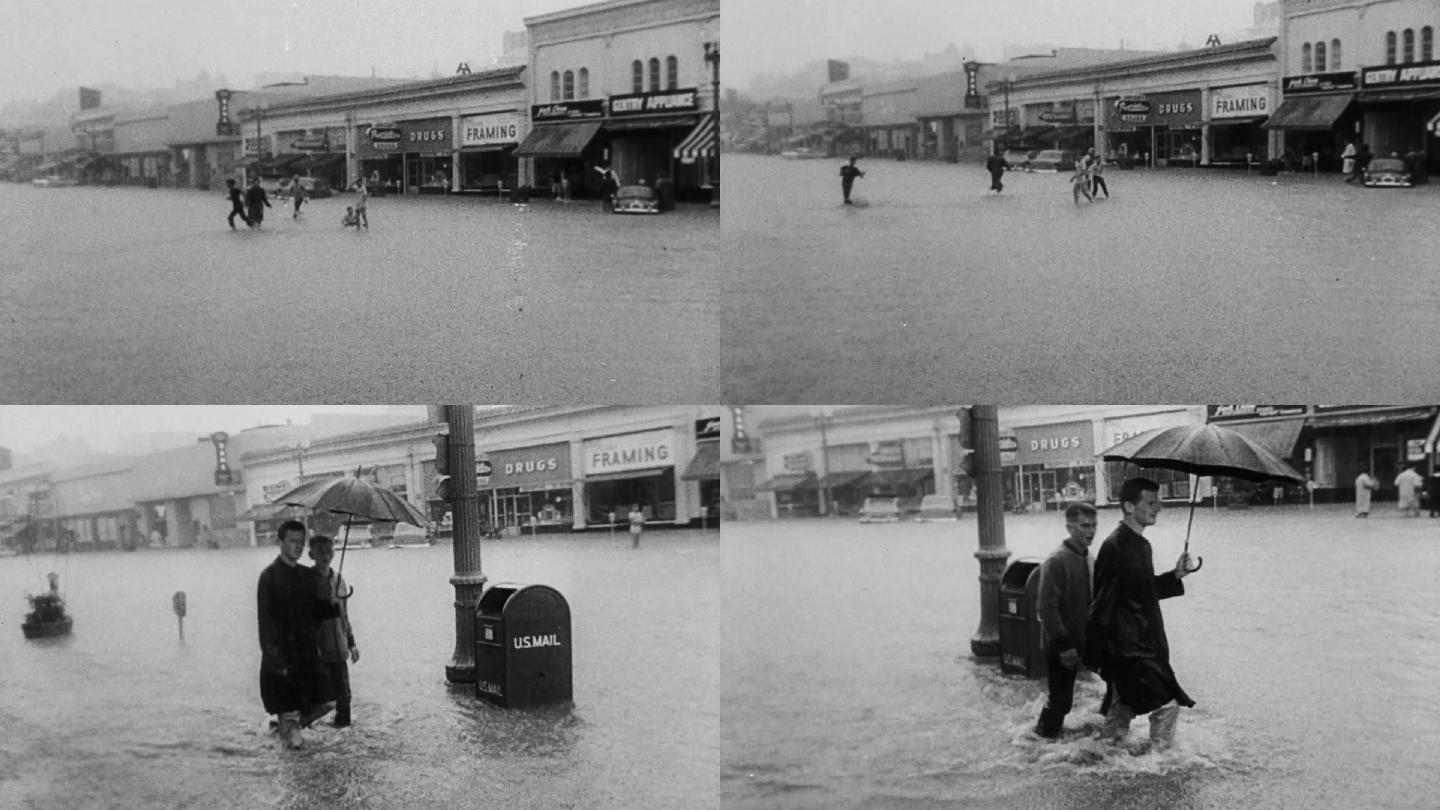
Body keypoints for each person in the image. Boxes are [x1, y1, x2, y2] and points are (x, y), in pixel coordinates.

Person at [1085, 478, 1198, 752]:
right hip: (1130, 649)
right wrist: (1100, 655)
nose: (1158, 507)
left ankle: (1099, 760)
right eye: (1150, 502)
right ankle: (1160, 764)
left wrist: (1176, 575)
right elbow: (1102, 603)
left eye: (1157, 501)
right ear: (1128, 506)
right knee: (1168, 704)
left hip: (1137, 646)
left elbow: (1142, 591)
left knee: (1121, 712)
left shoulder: (1138, 545)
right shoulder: (1117, 547)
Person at [257, 520, 338, 749]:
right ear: (280, 542)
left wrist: (331, 605)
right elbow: (265, 624)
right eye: (292, 541)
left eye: (301, 542)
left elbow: (314, 612)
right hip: (282, 661)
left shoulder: (307, 576)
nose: (298, 546)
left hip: (307, 658)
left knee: (328, 701)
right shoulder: (268, 577)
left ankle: (286, 731)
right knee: (294, 742)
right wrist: (276, 662)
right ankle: (290, 744)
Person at [1034, 502, 1099, 739]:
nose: (1090, 531)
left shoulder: (1089, 557)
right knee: (1060, 699)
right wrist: (1064, 647)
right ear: (1070, 527)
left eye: (1094, 525)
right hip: (1060, 645)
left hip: (1083, 640)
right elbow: (1046, 608)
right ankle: (1044, 738)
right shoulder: (1056, 561)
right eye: (1084, 526)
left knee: (1068, 697)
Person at [308, 535, 359, 728]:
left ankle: (342, 736)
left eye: (328, 551)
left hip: (339, 648)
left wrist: (352, 643)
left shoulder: (339, 580)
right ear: (311, 553)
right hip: (318, 650)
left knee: (344, 696)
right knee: (322, 700)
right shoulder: (307, 580)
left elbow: (344, 614)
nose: (325, 555)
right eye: (320, 551)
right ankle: (298, 725)